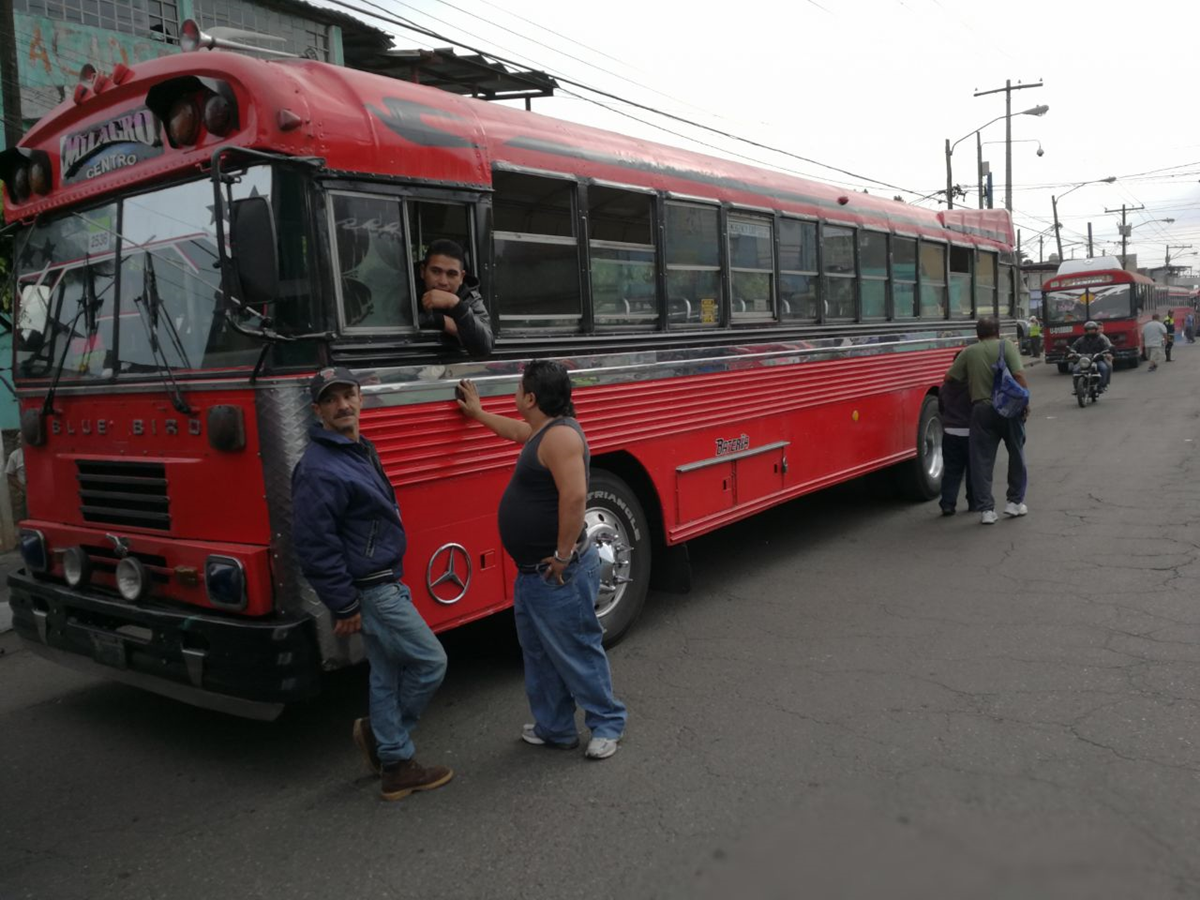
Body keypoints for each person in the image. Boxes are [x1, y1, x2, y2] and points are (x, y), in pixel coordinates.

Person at [292, 366, 453, 801]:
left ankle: (392, 761)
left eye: (348, 395)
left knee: (386, 674)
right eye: (331, 399)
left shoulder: (356, 449)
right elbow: (314, 545)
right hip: (373, 588)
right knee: (429, 662)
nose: (343, 405)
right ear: (317, 410)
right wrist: (344, 605)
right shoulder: (319, 468)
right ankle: (393, 750)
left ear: (361, 398)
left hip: (383, 581)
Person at [456, 361, 627, 760]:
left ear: (530, 398)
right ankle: (555, 728)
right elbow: (515, 431)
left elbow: (574, 497)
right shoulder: (544, 431)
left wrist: (564, 556)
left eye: (519, 388)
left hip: (557, 574)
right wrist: (478, 414)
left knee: (577, 650)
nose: (515, 393)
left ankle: (607, 724)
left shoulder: (562, 437)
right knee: (539, 654)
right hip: (534, 574)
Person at [944, 317, 1030, 525]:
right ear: (998, 331)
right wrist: (1025, 401)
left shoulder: (968, 352)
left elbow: (950, 378)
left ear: (977, 333)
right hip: (1008, 408)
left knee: (981, 460)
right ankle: (1014, 503)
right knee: (1016, 453)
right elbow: (1018, 374)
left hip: (981, 409)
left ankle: (987, 510)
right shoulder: (1005, 345)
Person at [417, 239, 493, 356]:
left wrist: (456, 305)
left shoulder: (470, 297)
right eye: (436, 272)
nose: (443, 281)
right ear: (423, 271)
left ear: (462, 277)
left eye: (451, 274)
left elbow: (484, 348)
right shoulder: (406, 291)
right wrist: (435, 320)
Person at [938, 359, 976, 516]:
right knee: (973, 470)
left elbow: (941, 409)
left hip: (950, 433)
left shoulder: (944, 388)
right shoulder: (972, 387)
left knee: (952, 471)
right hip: (970, 433)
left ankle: (948, 503)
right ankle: (973, 502)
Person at [1069, 321, 1113, 392]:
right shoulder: (1080, 340)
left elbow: (1106, 347)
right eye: (1089, 329)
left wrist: (1107, 352)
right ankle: (1076, 388)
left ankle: (1101, 386)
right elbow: (1073, 347)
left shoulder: (1101, 339)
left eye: (1092, 329)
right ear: (1086, 330)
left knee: (1104, 368)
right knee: (1075, 370)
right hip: (1084, 361)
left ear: (1095, 330)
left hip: (1097, 360)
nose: (1091, 331)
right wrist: (1071, 352)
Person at [5, 442, 25, 523]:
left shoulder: (39, 452)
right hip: (24, 493)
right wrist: (22, 488)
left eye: (21, 438)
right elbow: (9, 475)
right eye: (17, 439)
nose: (19, 441)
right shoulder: (15, 455)